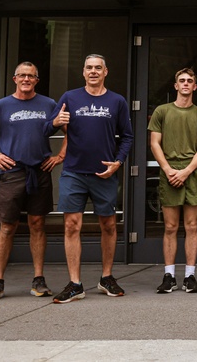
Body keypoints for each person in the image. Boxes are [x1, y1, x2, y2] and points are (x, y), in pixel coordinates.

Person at [0, 62, 64, 301]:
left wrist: (60, 156)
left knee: (37, 225)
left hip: (40, 170)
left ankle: (38, 280)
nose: (26, 79)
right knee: (8, 227)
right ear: (15, 78)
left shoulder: (48, 104)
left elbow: (70, 130)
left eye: (31, 76)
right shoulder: (1, 106)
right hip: (12, 172)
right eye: (22, 75)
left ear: (36, 80)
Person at [45, 54, 134, 303]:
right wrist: (55, 121)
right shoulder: (69, 98)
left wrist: (118, 162)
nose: (93, 71)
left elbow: (127, 136)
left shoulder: (117, 101)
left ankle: (106, 277)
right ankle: (75, 284)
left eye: (98, 68)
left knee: (108, 225)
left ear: (106, 71)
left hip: (103, 173)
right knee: (72, 225)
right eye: (89, 68)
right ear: (83, 72)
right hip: (73, 171)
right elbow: (45, 128)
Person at [148, 68, 197, 294]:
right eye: (181, 81)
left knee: (192, 226)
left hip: (193, 175)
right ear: (176, 86)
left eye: (189, 81)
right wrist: (168, 169)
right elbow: (155, 143)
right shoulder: (162, 112)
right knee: (171, 226)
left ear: (195, 86)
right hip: (169, 173)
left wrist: (186, 172)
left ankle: (190, 276)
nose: (185, 84)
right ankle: (169, 276)